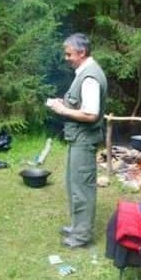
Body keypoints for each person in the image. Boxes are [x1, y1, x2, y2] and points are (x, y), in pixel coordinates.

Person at [45, 33, 108, 248]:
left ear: (81, 53)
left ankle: (82, 236)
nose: (66, 57)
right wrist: (63, 103)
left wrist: (62, 110)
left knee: (82, 187)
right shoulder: (84, 72)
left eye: (69, 53)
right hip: (78, 139)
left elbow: (91, 114)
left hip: (84, 139)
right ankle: (76, 226)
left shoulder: (90, 77)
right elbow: (81, 105)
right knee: (74, 184)